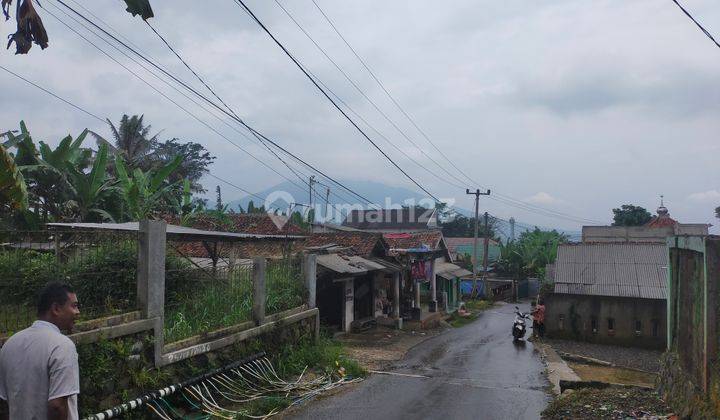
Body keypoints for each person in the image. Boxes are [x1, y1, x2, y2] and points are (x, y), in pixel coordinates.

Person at [0, 283, 81, 420]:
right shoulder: (62, 346)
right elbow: (57, 406)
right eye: (74, 306)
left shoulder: (10, 344)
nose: (78, 312)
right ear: (56, 308)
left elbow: (4, 402)